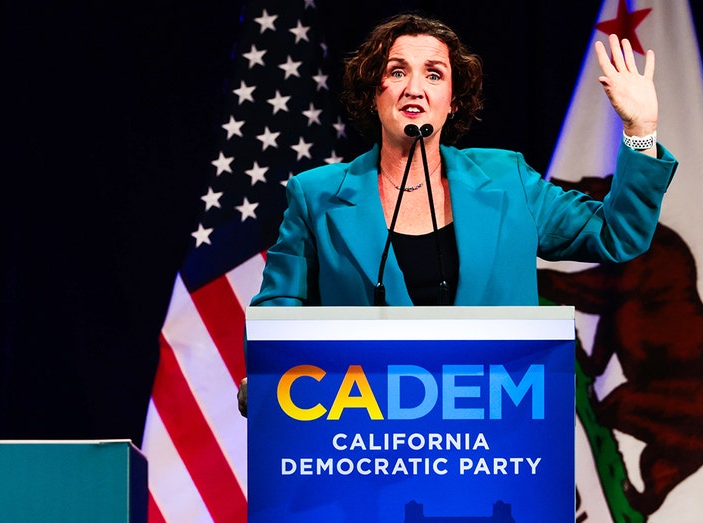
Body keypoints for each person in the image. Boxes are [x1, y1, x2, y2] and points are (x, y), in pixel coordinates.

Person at [237, 13, 677, 416]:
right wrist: (269, 375)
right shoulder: (316, 195)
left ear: (453, 101)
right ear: (374, 94)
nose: (414, 87)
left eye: (433, 74)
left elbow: (617, 234)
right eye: (396, 72)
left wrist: (641, 132)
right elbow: (280, 309)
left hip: (495, 439)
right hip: (363, 443)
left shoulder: (508, 181)